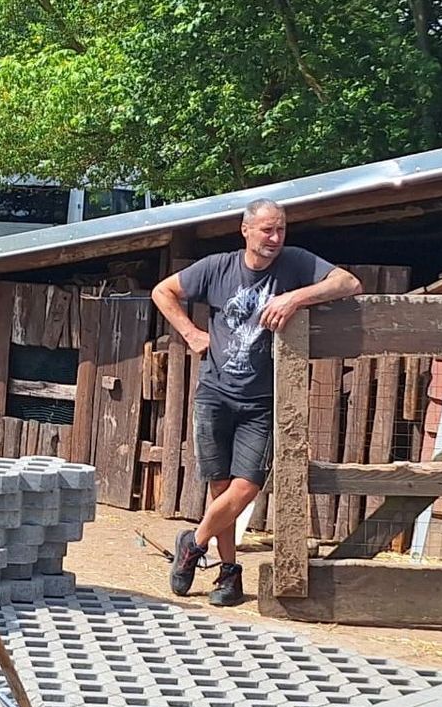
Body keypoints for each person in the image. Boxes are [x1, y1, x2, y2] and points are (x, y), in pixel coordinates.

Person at [151, 199, 362, 605]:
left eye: (280, 229)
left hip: (262, 400)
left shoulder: (295, 263)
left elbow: (348, 283)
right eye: (267, 230)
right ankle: (229, 575)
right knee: (220, 487)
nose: (275, 238)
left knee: (246, 487)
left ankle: (191, 543)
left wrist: (295, 298)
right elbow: (164, 292)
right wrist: (192, 334)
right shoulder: (217, 268)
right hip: (215, 391)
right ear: (245, 230)